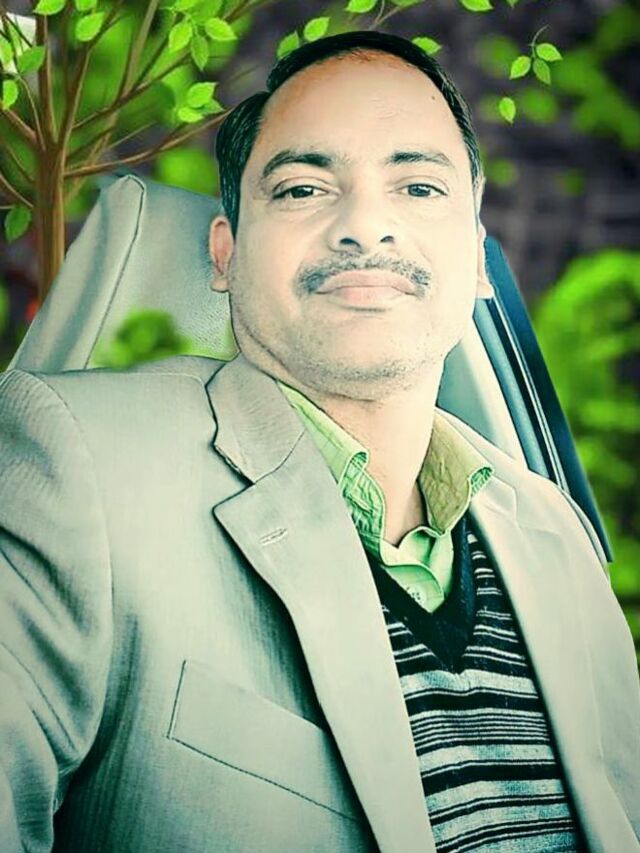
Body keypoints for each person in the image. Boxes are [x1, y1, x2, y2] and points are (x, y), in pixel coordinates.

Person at [0, 30, 638, 853]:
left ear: (479, 260)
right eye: (303, 188)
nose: (365, 226)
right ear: (225, 253)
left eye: (418, 186)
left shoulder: (558, 534)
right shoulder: (73, 464)